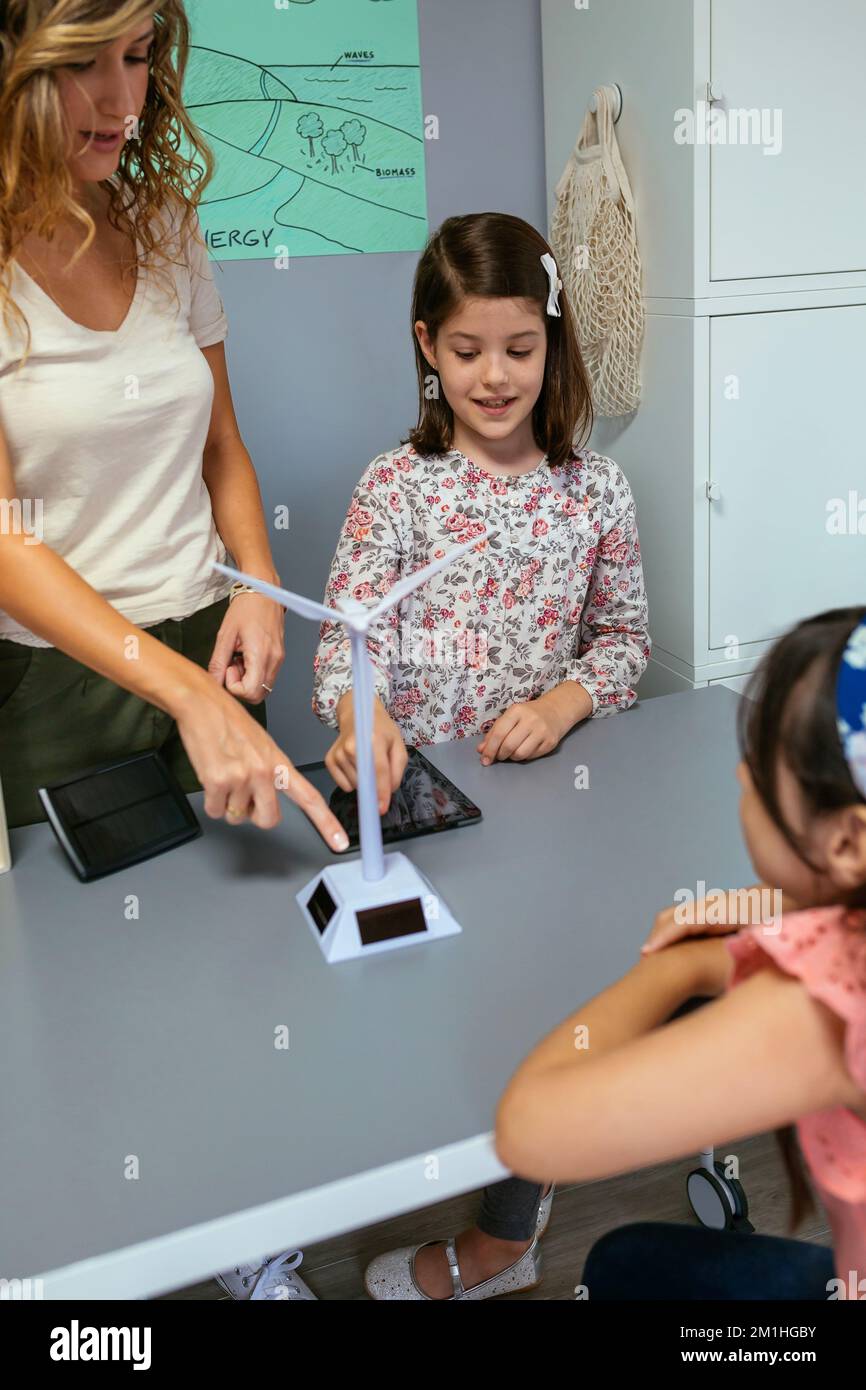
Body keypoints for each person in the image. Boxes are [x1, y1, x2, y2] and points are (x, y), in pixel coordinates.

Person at [311, 211, 650, 1298]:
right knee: (431, 1017)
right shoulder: (394, 487)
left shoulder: (591, 488)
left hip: (552, 813)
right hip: (422, 813)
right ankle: (429, 1155)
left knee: (540, 1027)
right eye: (466, 352)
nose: (494, 377)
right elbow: (339, 646)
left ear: (552, 342)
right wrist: (358, 714)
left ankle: (506, 1243)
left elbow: (627, 639)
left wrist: (561, 699)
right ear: (425, 346)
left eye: (518, 348)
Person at [0, 0, 348, 853]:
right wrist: (182, 695)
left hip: (208, 636)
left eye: (139, 56)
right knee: (91, 954)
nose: (124, 99)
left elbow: (222, 445)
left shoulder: (165, 222)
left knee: (237, 928)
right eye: (87, 65)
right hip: (60, 677)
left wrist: (257, 588)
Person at [496, 607, 866, 1300]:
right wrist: (775, 908)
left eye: (758, 765)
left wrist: (679, 967)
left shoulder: (822, 1008)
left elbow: (528, 1131)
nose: (738, 779)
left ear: (846, 843)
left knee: (622, 1265)